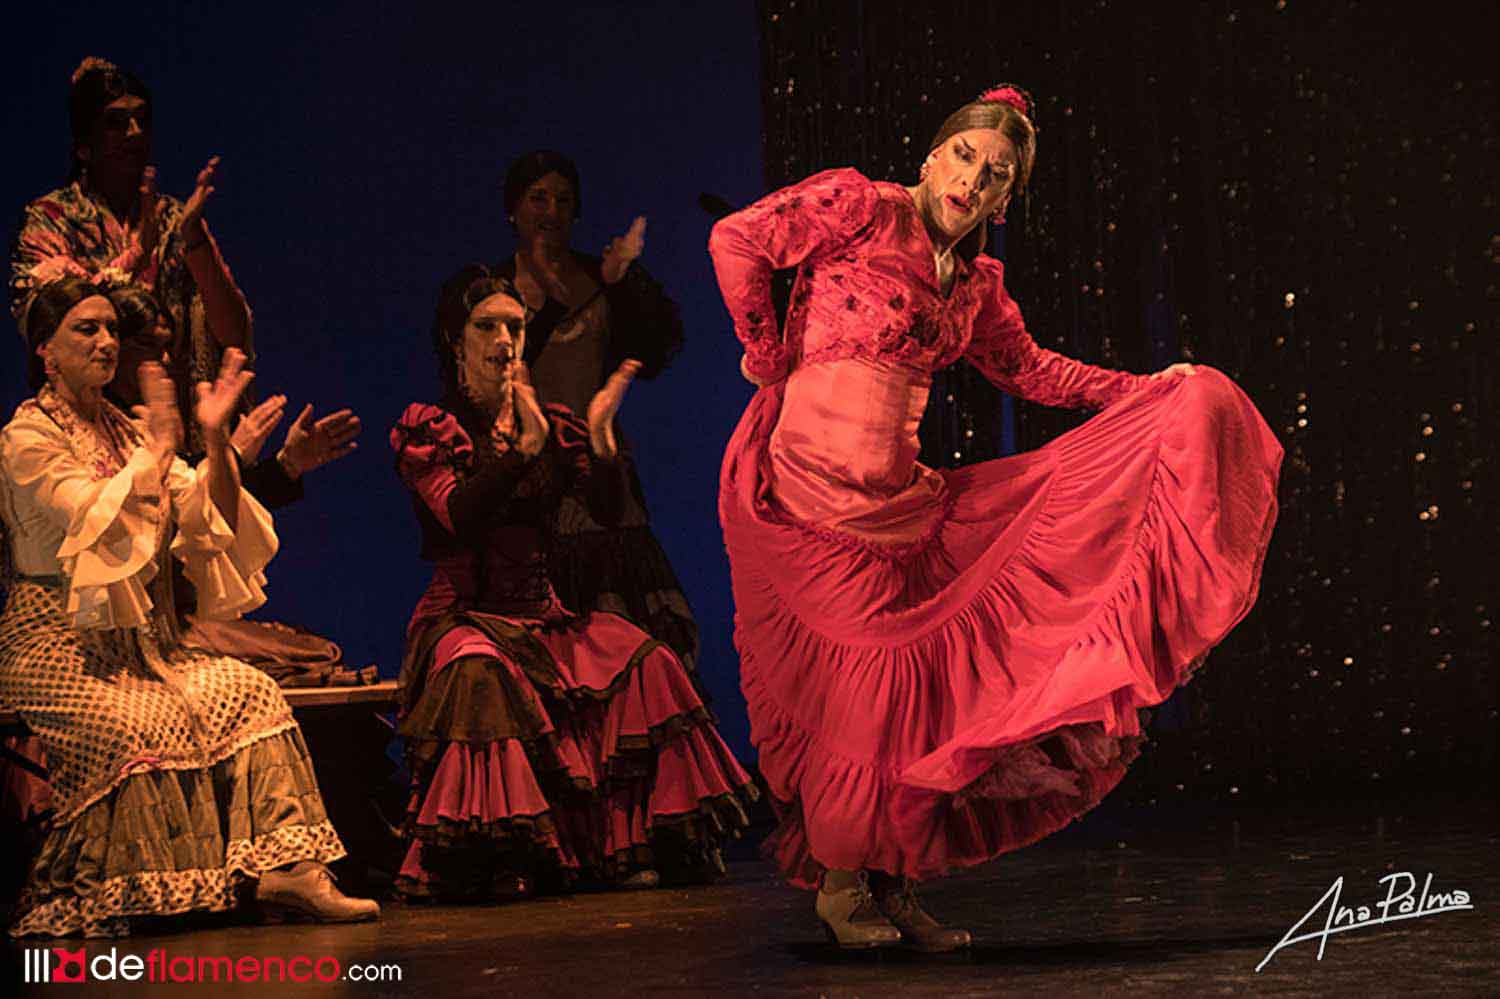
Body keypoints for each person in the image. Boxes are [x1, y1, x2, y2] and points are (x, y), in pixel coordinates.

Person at [708, 84, 1283, 950]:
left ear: (1006, 200)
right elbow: (737, 239)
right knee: (865, 697)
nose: (974, 182)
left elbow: (1031, 370)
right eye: (966, 157)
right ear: (934, 155)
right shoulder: (860, 208)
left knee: (918, 707)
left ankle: (893, 883)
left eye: (997, 175)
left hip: (896, 512)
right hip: (807, 497)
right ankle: (839, 883)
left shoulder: (974, 285)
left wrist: (1144, 391)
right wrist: (765, 348)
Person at [0, 277, 377, 937]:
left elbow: (204, 514)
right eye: (86, 329)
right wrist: (157, 450)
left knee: (249, 691)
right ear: (46, 352)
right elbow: (90, 516)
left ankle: (291, 868)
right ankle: (136, 887)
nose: (107, 341)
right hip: (56, 641)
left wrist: (216, 443)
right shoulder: (27, 437)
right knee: (131, 724)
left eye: (112, 328)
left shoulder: (125, 430)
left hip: (143, 640)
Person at [390, 265, 754, 901]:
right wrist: (517, 456)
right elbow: (458, 518)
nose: (504, 340)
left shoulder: (551, 424)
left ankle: (625, 846)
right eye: (487, 327)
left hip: (543, 615)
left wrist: (606, 444)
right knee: (481, 672)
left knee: (646, 660)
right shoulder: (433, 427)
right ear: (457, 340)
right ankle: (500, 854)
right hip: (466, 620)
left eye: (515, 326)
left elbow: (609, 512)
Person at [102, 283, 370, 687]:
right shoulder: (96, 434)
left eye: (166, 346)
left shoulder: (147, 428)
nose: (163, 359)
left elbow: (207, 516)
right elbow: (168, 518)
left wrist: (279, 465)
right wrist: (228, 452)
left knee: (313, 652)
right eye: (146, 345)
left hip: (170, 619)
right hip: (120, 629)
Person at [493, 151, 698, 674]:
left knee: (629, 634)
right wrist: (551, 289)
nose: (551, 210)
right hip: (528, 464)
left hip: (600, 461)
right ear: (513, 209)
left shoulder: (600, 276)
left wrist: (625, 278)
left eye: (563, 200)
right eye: (538, 197)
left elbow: (654, 348)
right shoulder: (492, 291)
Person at [9, 57, 252, 452]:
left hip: (174, 430)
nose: (134, 132)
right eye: (116, 122)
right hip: (85, 433)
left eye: (141, 120)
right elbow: (45, 314)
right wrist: (137, 256)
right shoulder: (53, 218)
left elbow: (233, 336)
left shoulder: (174, 217)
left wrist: (195, 242)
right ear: (84, 148)